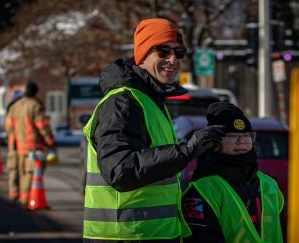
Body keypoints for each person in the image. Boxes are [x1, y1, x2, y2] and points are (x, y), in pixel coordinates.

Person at [82, 18, 225, 242]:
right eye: (163, 51)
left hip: (153, 234)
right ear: (142, 54)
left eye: (179, 53)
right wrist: (185, 152)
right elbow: (120, 170)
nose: (172, 59)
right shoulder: (123, 102)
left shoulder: (152, 101)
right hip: (127, 237)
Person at [182, 102, 285, 243]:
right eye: (232, 136)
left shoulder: (269, 185)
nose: (241, 141)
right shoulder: (203, 190)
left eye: (246, 135)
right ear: (216, 143)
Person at [5, 82, 57, 205]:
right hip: (33, 147)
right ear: (35, 92)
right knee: (31, 173)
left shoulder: (15, 106)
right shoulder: (35, 106)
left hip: (17, 147)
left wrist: (13, 143)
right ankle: (27, 199)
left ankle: (15, 195)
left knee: (19, 172)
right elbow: (42, 126)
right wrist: (50, 140)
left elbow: (8, 127)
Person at [5, 90, 24, 202]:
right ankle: (16, 193)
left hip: (14, 142)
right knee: (18, 169)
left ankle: (14, 193)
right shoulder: (15, 109)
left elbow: (8, 127)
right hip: (17, 142)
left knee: (14, 169)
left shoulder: (11, 109)